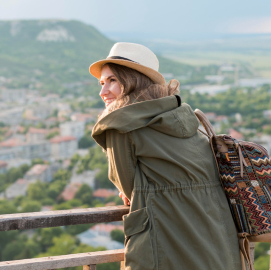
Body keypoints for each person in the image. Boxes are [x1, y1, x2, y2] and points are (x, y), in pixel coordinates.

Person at [89, 42, 242, 270]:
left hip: (165, 238)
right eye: (102, 83)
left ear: (133, 80)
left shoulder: (118, 124)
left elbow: (128, 186)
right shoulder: (182, 115)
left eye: (112, 80)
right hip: (217, 237)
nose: (103, 92)